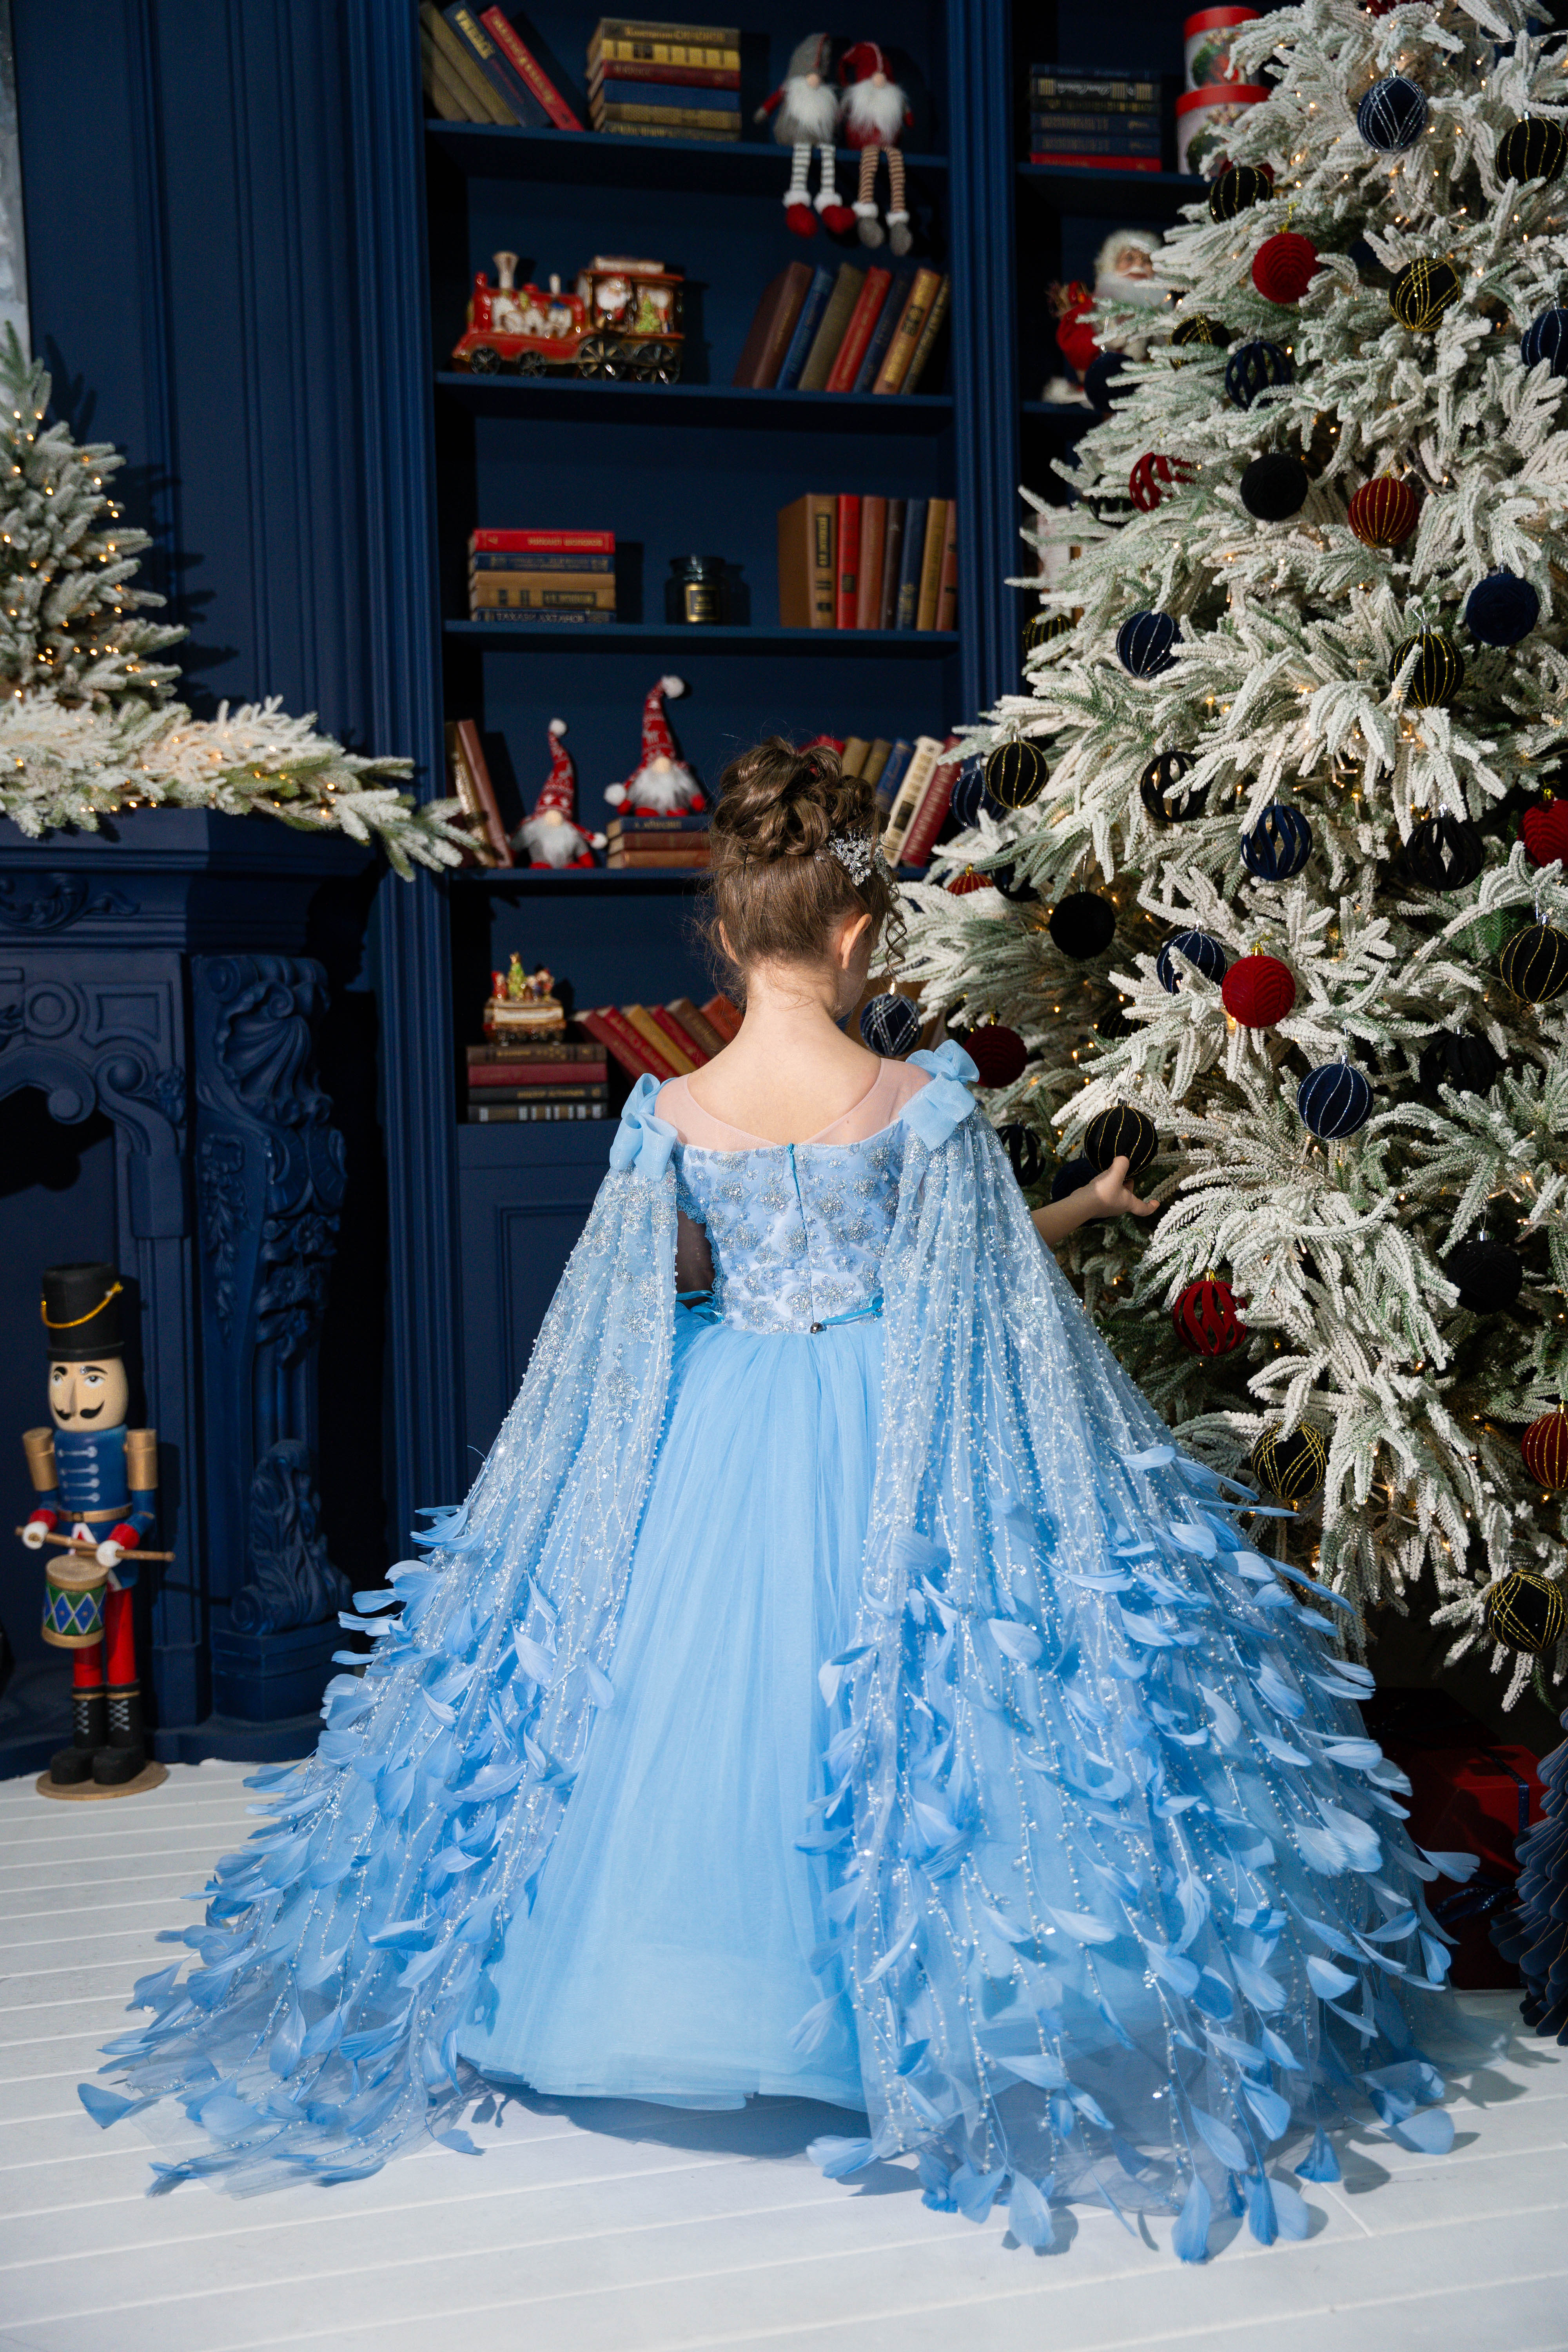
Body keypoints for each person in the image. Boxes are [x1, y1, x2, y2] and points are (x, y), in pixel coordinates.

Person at [89, 740, 1469, 2258]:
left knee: (703, 1699)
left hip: (720, 1414)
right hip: (891, 1412)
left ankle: (686, 1987)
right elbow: (987, 1296)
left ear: (727, 931)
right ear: (858, 930)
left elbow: (640, 1307)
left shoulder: (669, 1110)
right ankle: (925, 1996)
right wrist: (1086, 1209)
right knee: (918, 1685)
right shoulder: (918, 1102)